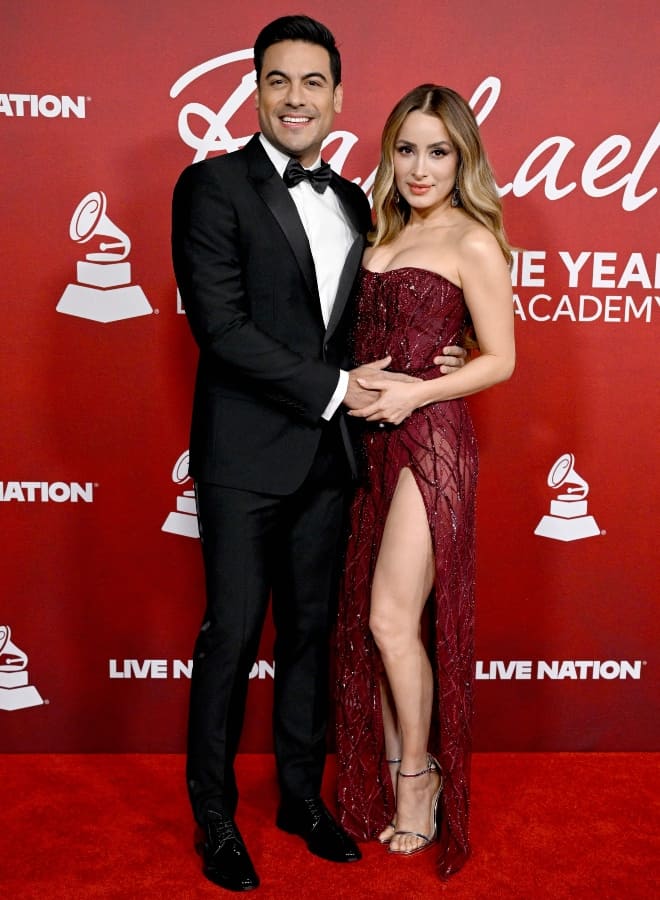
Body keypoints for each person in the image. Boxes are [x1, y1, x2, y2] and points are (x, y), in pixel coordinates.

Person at [172, 19, 466, 893]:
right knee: (231, 636)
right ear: (256, 91)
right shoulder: (211, 186)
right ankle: (215, 819)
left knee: (309, 635)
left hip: (332, 461)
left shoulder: (353, 199)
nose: (295, 97)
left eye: (312, 83)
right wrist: (339, 390)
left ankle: (301, 796)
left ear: (338, 97)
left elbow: (377, 317)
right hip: (242, 456)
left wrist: (438, 356)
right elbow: (221, 329)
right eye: (277, 81)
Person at [335, 84, 515, 879]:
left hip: (431, 443)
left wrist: (419, 390)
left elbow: (503, 358)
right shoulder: (376, 230)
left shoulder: (472, 240)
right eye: (406, 148)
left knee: (388, 617)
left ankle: (419, 777)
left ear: (463, 159)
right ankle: (395, 766)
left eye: (438, 151)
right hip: (362, 445)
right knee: (372, 626)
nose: (419, 167)